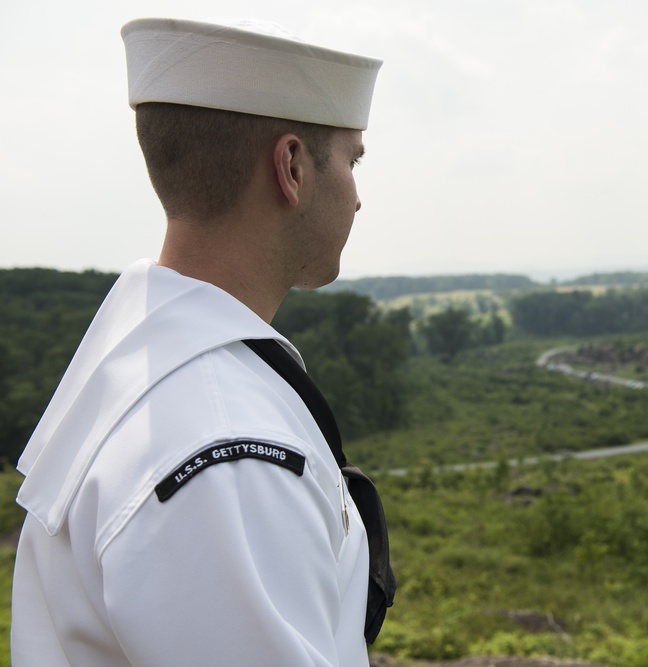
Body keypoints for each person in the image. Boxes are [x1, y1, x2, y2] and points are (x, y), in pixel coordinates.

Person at [11, 17, 392, 667]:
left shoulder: (144, 367)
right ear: (292, 167)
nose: (359, 197)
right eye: (353, 160)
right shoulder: (228, 452)